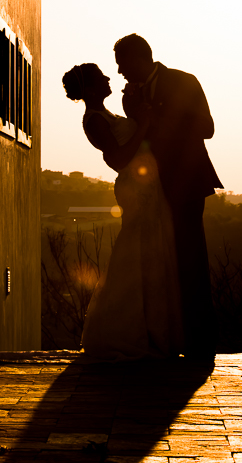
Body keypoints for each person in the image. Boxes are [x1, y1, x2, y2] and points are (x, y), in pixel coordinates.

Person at [62, 62, 184, 361]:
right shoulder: (93, 120)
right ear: (90, 89)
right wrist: (141, 123)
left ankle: (154, 330)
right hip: (136, 190)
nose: (108, 78)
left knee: (154, 252)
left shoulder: (107, 114)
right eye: (101, 76)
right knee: (139, 253)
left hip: (149, 187)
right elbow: (116, 158)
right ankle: (130, 330)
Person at [114, 34, 222, 359]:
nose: (119, 72)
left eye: (122, 64)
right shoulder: (129, 96)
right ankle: (167, 337)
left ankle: (200, 342)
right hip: (151, 190)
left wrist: (161, 118)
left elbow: (207, 127)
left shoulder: (183, 81)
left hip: (186, 183)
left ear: (140, 58)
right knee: (160, 265)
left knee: (190, 260)